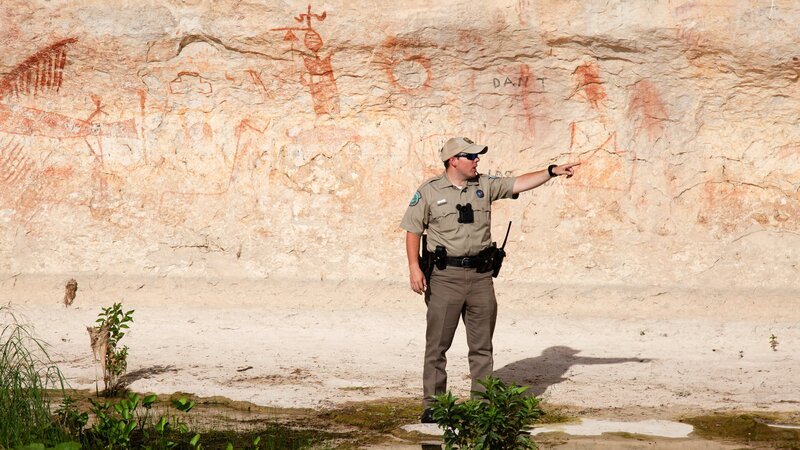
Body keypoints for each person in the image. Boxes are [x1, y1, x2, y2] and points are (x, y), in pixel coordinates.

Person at [400, 136, 580, 423]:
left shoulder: (485, 185)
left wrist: (550, 172)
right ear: (453, 160)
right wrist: (414, 267)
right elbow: (412, 230)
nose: (476, 160)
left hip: (481, 279)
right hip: (445, 278)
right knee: (437, 346)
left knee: (482, 347)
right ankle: (433, 405)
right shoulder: (429, 192)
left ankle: (482, 404)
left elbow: (518, 183)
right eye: (470, 156)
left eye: (477, 156)